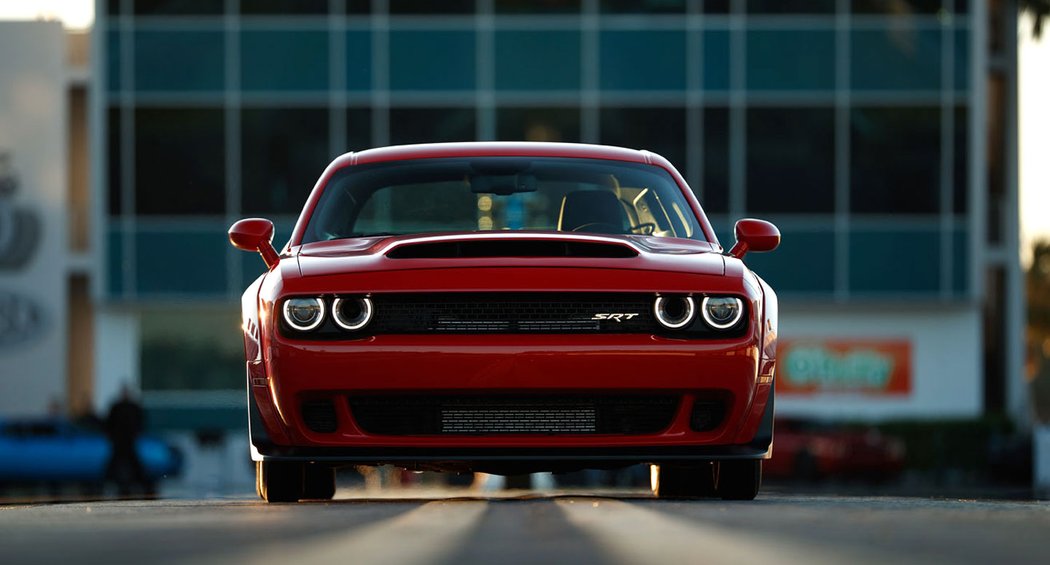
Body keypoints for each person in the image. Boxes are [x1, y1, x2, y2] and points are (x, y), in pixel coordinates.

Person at [105, 384, 153, 496]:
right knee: (115, 463)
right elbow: (109, 424)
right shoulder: (116, 407)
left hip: (129, 441)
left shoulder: (133, 407)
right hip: (119, 441)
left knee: (134, 464)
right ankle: (109, 482)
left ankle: (142, 485)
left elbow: (140, 422)